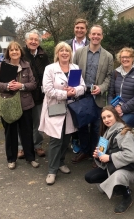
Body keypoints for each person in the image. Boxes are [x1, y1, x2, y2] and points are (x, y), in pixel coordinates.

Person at [39, 42, 85, 185]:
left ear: (71, 53)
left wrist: (75, 91)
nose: (64, 53)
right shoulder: (50, 68)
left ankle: (61, 162)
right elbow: (48, 90)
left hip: (71, 109)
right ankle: (52, 171)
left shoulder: (75, 68)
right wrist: (65, 94)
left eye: (67, 50)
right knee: (55, 140)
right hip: (55, 108)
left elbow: (82, 86)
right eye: (61, 50)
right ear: (57, 53)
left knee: (66, 138)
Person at [85, 106, 134, 214]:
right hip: (115, 165)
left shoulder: (124, 132)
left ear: (116, 116)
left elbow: (131, 156)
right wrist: (98, 156)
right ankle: (117, 187)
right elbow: (103, 157)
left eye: (109, 116)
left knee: (118, 175)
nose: (106, 120)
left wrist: (109, 157)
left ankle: (127, 198)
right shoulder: (106, 133)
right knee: (90, 177)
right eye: (104, 118)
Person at [0, 41, 39, 170]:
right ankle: (11, 159)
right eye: (11, 50)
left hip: (25, 104)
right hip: (8, 104)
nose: (14, 52)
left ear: (20, 52)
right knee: (10, 133)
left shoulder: (26, 65)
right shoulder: (2, 66)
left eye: (16, 49)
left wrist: (21, 86)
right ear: (8, 52)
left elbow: (33, 84)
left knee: (27, 132)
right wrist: (6, 86)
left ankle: (31, 158)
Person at [72, 25, 114, 167]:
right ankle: (84, 151)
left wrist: (101, 88)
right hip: (82, 96)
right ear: (89, 35)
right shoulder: (79, 52)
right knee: (82, 126)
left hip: (98, 98)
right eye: (93, 34)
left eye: (99, 34)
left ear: (102, 36)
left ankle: (98, 155)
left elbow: (109, 77)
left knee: (98, 128)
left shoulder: (108, 56)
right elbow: (74, 73)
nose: (96, 36)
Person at [17, 30, 50, 159]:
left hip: (39, 95)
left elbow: (48, 73)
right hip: (24, 94)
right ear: (26, 41)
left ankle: (38, 145)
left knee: (38, 123)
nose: (33, 42)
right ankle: (21, 147)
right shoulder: (21, 55)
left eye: (36, 40)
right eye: (31, 39)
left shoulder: (43, 55)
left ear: (39, 42)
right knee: (23, 123)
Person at [65, 18, 90, 154]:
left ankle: (83, 141)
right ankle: (73, 139)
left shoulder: (91, 44)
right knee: (71, 112)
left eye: (82, 28)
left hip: (85, 82)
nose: (79, 30)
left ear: (86, 30)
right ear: (74, 28)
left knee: (83, 114)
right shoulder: (67, 44)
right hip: (70, 80)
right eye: (77, 27)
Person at [107, 47, 134, 127]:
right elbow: (110, 93)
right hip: (116, 109)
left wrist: (122, 109)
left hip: (133, 111)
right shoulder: (116, 73)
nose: (125, 59)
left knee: (118, 127)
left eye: (127, 57)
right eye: (122, 57)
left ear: (132, 58)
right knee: (104, 124)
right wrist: (113, 108)